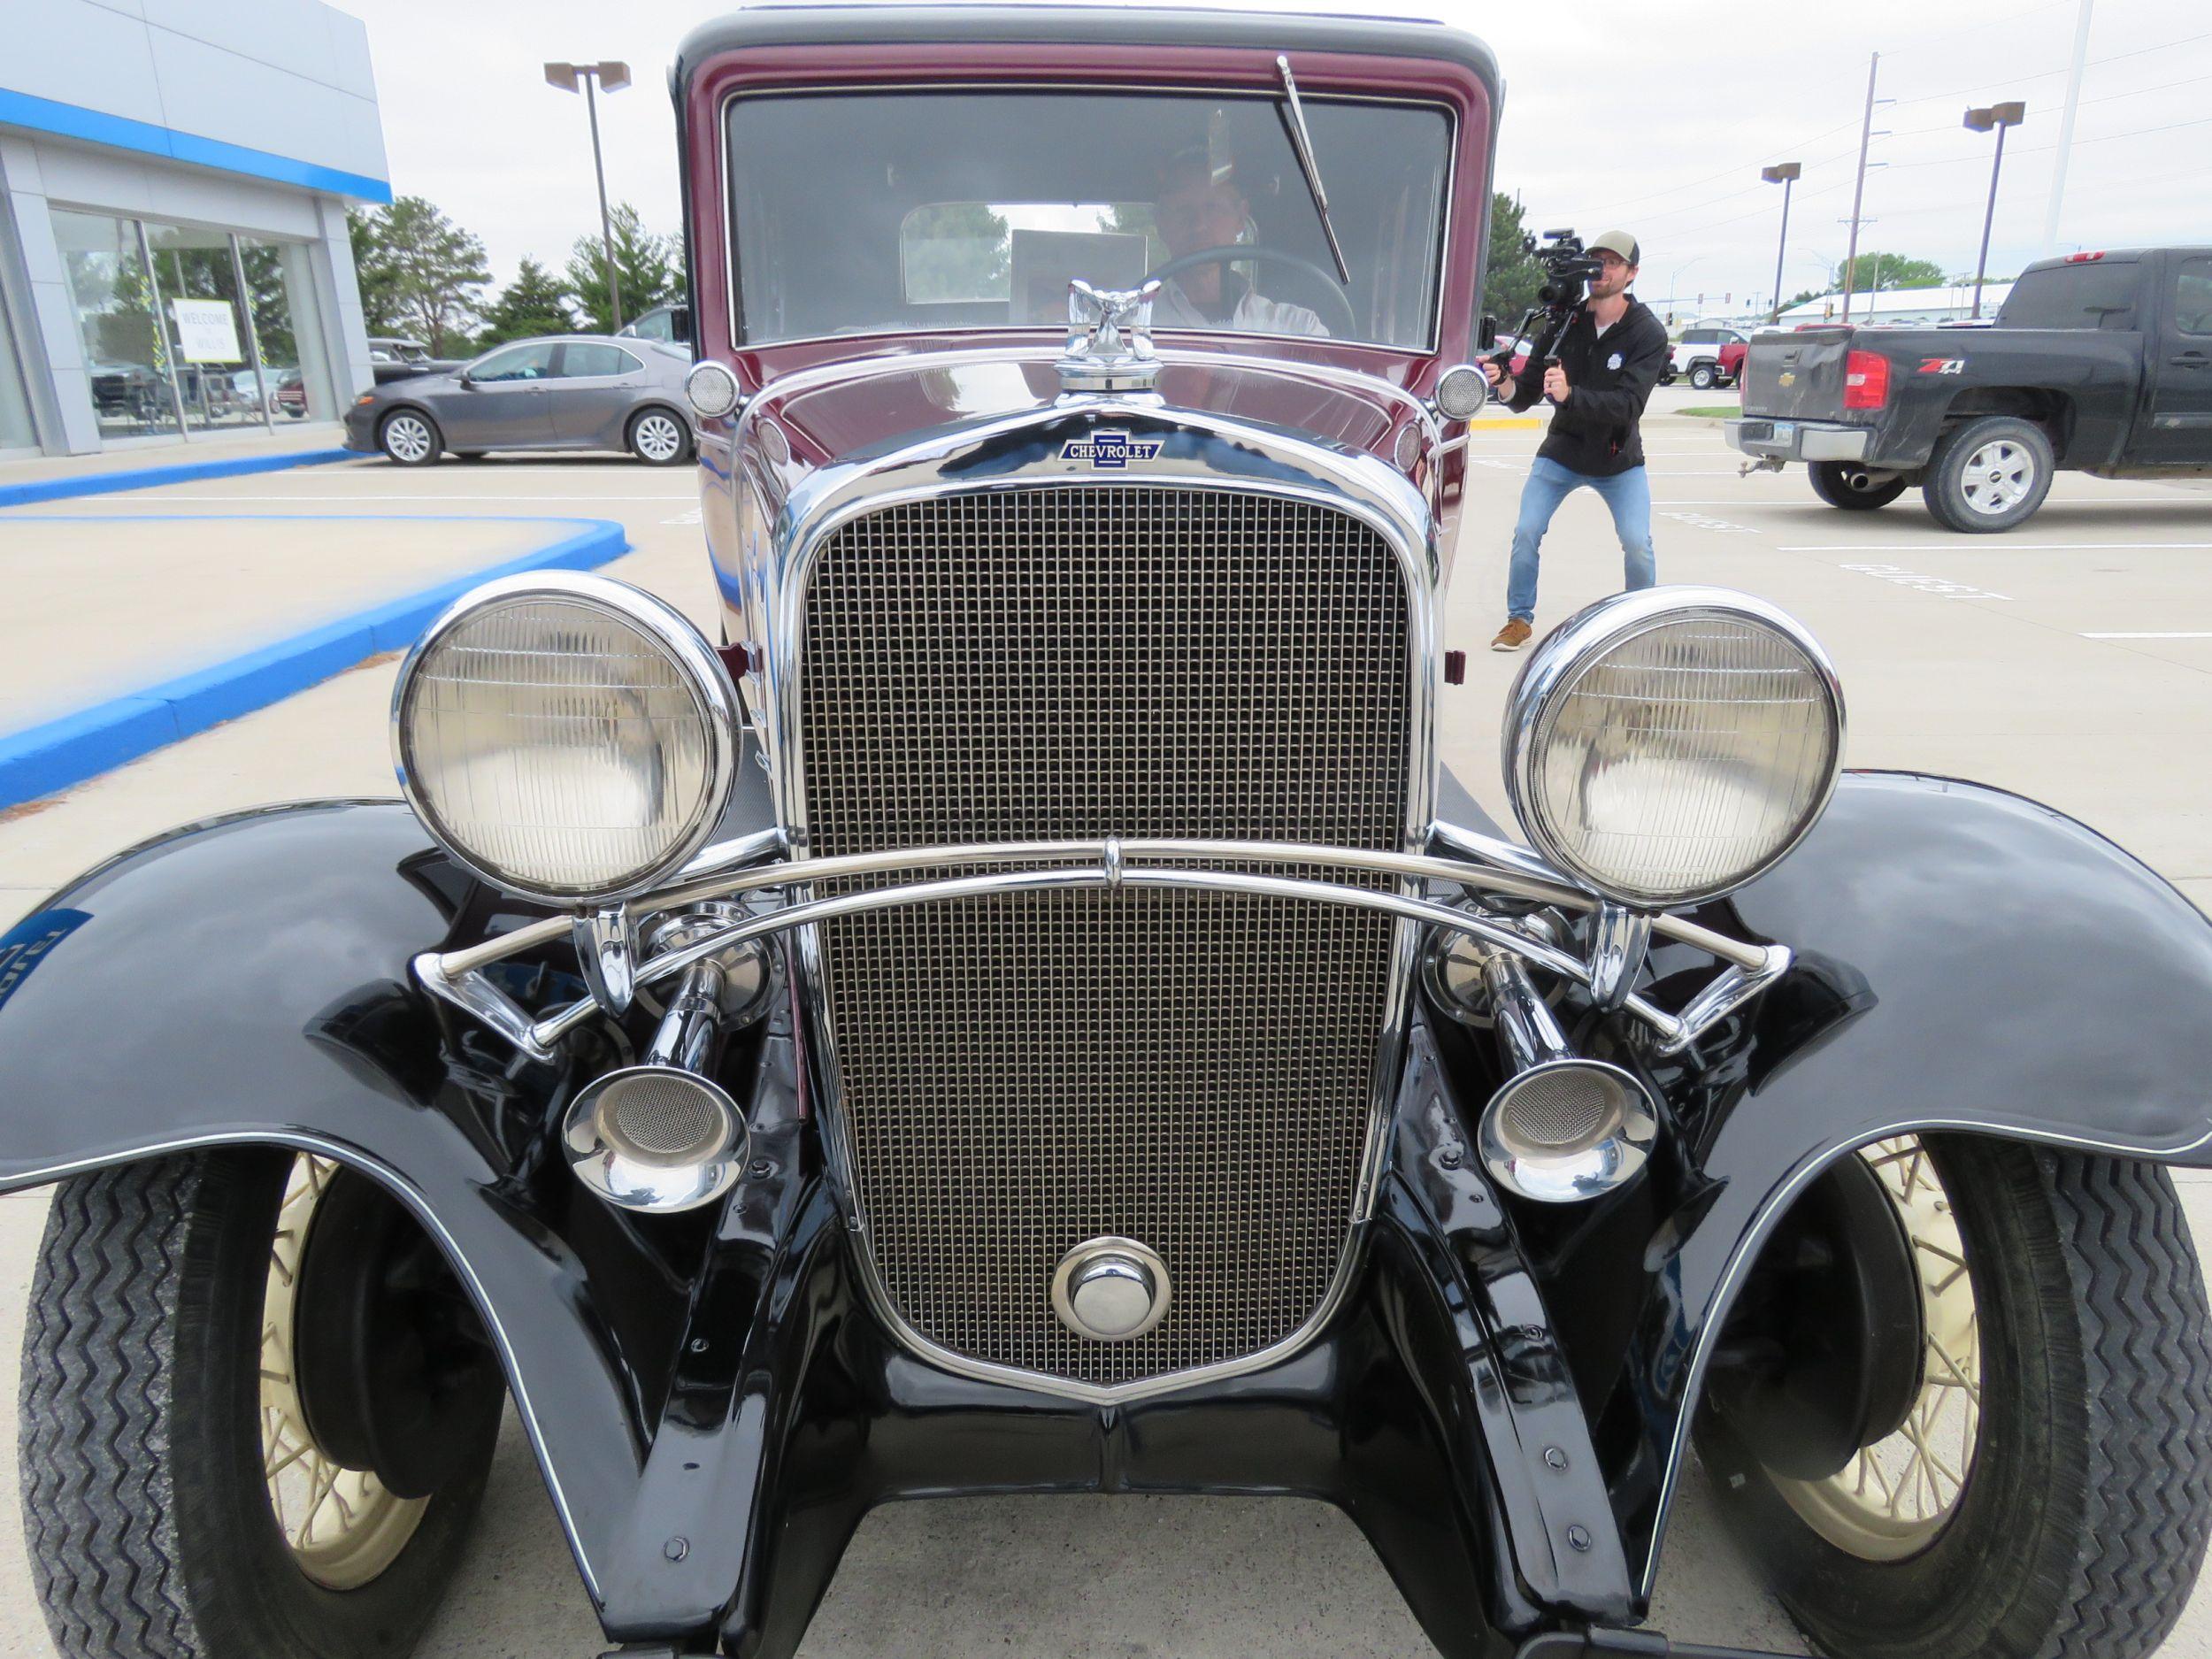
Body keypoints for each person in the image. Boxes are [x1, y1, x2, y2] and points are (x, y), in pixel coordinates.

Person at [1482, 230, 1668, 651]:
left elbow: (1628, 405)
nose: (1602, 270)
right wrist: (1504, 382)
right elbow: (1526, 394)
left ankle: (1638, 620)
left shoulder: (1646, 332)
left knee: (1637, 543)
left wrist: (1571, 395)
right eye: (1596, 260)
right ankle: (1518, 619)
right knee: (1527, 530)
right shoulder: (1566, 321)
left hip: (1617, 459)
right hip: (1563, 452)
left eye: (1613, 263)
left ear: (1632, 273)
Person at [1149, 150, 1328, 337]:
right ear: (1161, 223)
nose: (1199, 224)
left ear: (1241, 217)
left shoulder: (1298, 329)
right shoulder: (1132, 330)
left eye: (1213, 207)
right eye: (1182, 209)